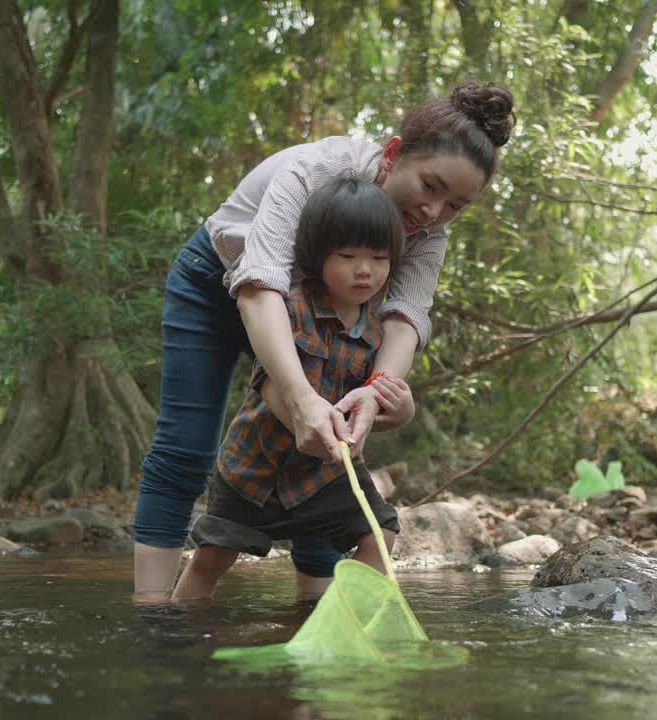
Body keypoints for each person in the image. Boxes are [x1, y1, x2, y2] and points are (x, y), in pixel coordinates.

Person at [133, 81, 516, 602]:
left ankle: (314, 608)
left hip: (316, 309)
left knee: (330, 437)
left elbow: (405, 318)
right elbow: (260, 286)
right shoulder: (316, 171)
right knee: (186, 446)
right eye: (430, 186)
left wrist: (378, 388)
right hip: (219, 281)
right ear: (393, 153)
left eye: (456, 205)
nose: (433, 212)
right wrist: (297, 396)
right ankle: (154, 614)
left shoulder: (429, 235)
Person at [173, 178, 412, 600]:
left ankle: (345, 618)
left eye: (378, 257)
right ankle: (177, 628)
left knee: (382, 529)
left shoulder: (378, 331)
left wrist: (399, 409)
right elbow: (269, 385)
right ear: (318, 256)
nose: (365, 270)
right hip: (256, 466)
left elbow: (374, 405)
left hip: (325, 475)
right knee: (212, 558)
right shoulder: (290, 307)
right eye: (348, 255)